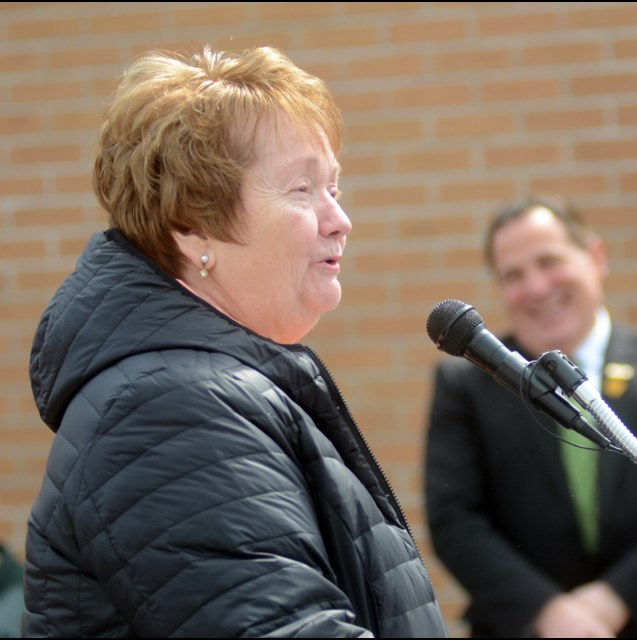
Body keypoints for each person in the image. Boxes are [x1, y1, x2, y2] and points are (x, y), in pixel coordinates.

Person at [23, 45, 446, 638]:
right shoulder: (168, 408)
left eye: (335, 189)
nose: (338, 219)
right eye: (302, 189)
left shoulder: (202, 387)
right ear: (194, 225)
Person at [424, 195, 637, 637]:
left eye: (549, 261)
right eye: (514, 275)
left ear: (596, 257)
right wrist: (551, 614)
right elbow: (454, 520)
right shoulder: (464, 386)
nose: (537, 288)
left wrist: (614, 601)